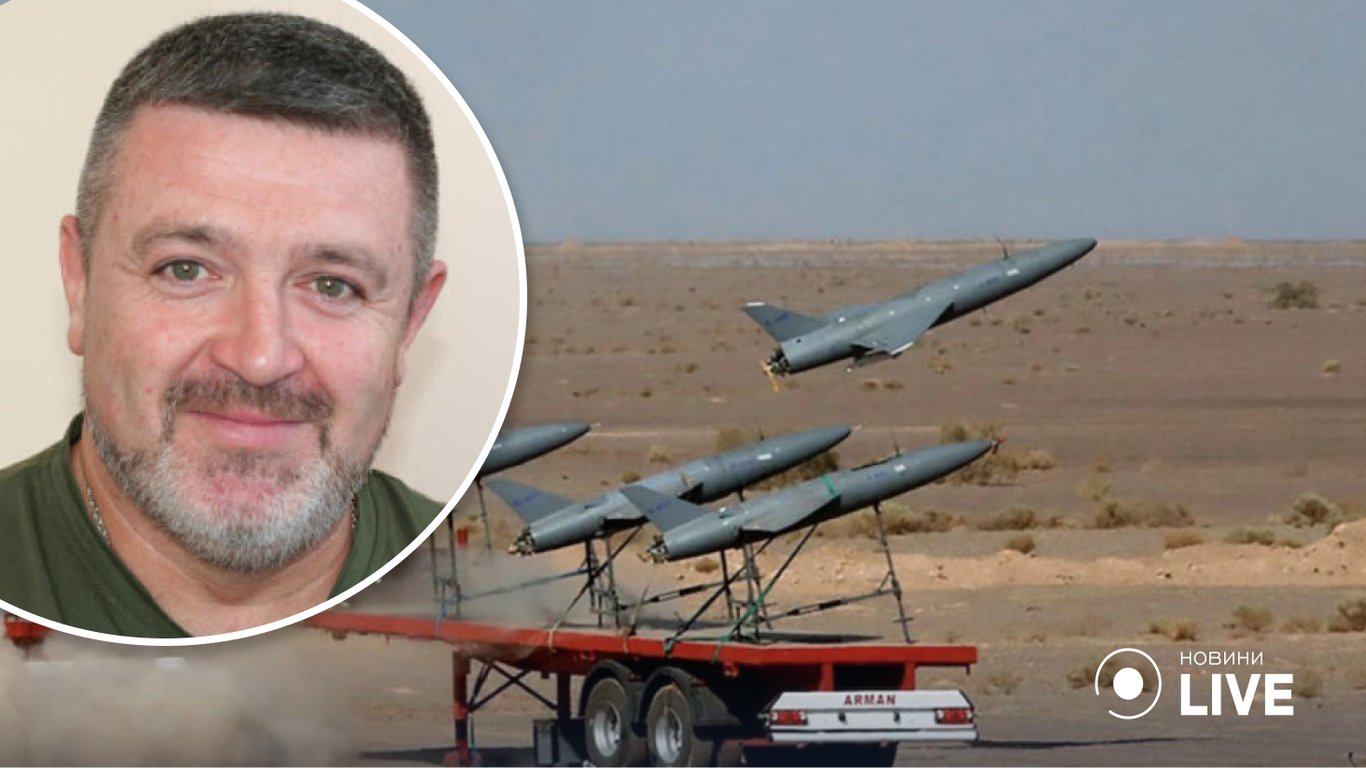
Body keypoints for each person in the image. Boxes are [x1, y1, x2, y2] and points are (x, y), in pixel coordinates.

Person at [0, 12, 450, 638]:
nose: (261, 358)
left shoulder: (465, 569)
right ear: (79, 284)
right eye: (185, 270)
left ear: (410, 323)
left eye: (332, 285)